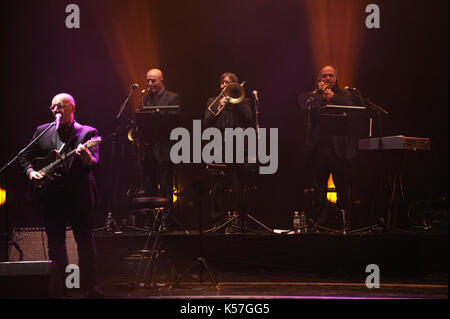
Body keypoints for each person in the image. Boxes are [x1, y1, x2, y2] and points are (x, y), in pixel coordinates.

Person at [18, 93, 103, 298]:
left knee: (84, 240)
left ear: (72, 109)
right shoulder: (43, 131)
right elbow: (23, 156)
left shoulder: (87, 132)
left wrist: (86, 156)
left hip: (78, 195)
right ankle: (62, 288)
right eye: (53, 107)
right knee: (55, 243)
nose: (56, 110)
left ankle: (90, 287)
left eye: (61, 106)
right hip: (52, 195)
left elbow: (94, 162)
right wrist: (31, 172)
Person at [297, 65, 358, 230]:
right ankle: (320, 221)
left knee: (342, 185)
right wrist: (317, 97)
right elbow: (306, 114)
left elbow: (351, 111)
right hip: (319, 148)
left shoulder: (345, 94)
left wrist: (331, 97)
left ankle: (344, 220)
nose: (327, 78)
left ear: (336, 79)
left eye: (331, 75)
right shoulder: (314, 96)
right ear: (319, 78)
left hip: (340, 147)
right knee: (318, 187)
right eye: (324, 75)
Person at [204, 72, 254, 228]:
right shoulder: (212, 101)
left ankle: (240, 219)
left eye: (228, 83)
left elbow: (248, 118)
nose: (224, 85)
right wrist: (219, 106)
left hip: (237, 146)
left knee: (237, 184)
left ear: (235, 85)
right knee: (217, 185)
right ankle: (217, 221)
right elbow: (206, 122)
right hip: (218, 147)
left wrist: (236, 102)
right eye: (222, 83)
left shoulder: (243, 100)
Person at [140, 68, 181, 231]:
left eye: (153, 81)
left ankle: (166, 219)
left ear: (162, 81)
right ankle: (151, 219)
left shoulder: (173, 97)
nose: (150, 84)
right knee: (149, 185)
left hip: (166, 149)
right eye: (148, 80)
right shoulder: (145, 99)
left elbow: (174, 122)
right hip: (149, 150)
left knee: (165, 186)